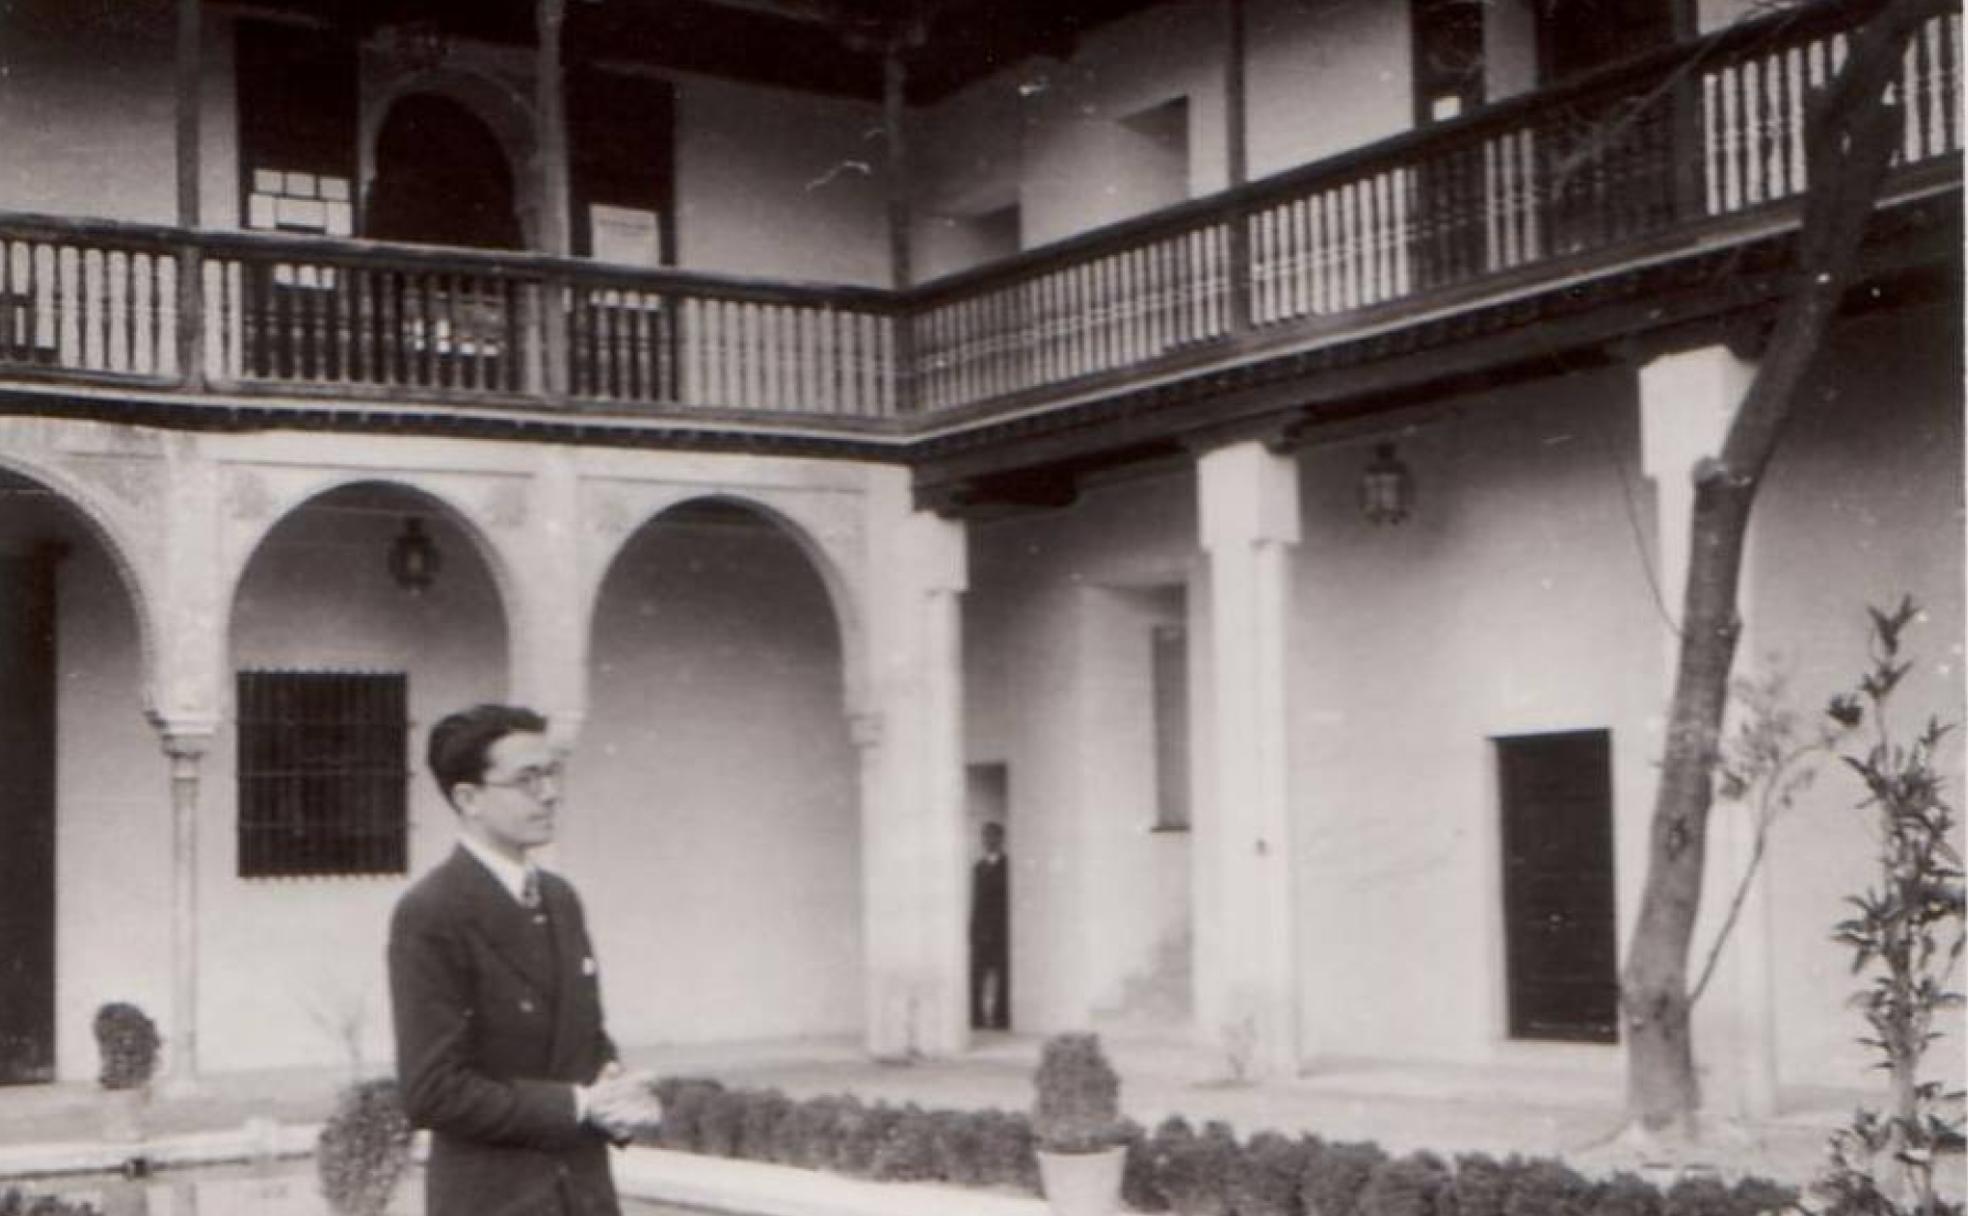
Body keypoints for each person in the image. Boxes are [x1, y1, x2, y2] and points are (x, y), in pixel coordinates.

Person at [388, 703, 659, 1216]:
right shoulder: (432, 911)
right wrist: (578, 1105)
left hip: (583, 1195)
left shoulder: (560, 898)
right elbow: (432, 1090)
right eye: (526, 780)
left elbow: (586, 1039)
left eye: (552, 774)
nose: (550, 793)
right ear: (469, 798)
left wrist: (618, 1093)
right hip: (497, 1201)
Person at [969, 821, 1010, 1030]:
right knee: (976, 975)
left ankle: (1001, 1019)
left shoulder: (1009, 866)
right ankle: (976, 1018)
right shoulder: (977, 868)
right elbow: (976, 900)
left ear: (1001, 839)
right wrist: (973, 929)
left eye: (994, 836)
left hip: (1002, 931)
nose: (989, 841)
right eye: (985, 836)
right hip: (981, 931)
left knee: (1004, 975)